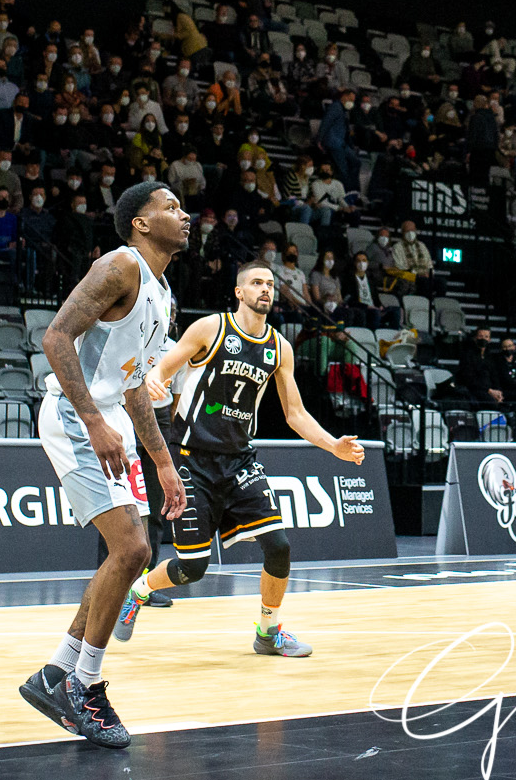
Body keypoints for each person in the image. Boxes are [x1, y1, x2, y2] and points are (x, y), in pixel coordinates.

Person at [16, 182, 191, 751]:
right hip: (75, 414)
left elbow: (137, 382)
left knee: (130, 550)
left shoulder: (162, 293)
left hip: (110, 416)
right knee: (133, 551)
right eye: (169, 207)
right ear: (139, 224)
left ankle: (56, 675)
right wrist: (92, 420)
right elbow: (55, 336)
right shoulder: (120, 265)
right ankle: (83, 686)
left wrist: (163, 462)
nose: (183, 214)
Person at [115, 261, 365, 654]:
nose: (265, 289)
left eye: (269, 284)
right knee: (191, 569)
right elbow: (160, 371)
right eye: (256, 283)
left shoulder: (280, 348)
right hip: (191, 459)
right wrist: (155, 384)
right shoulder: (210, 329)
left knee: (279, 545)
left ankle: (268, 632)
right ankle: (139, 590)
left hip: (240, 462)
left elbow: (295, 414)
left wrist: (334, 445)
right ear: (239, 292)